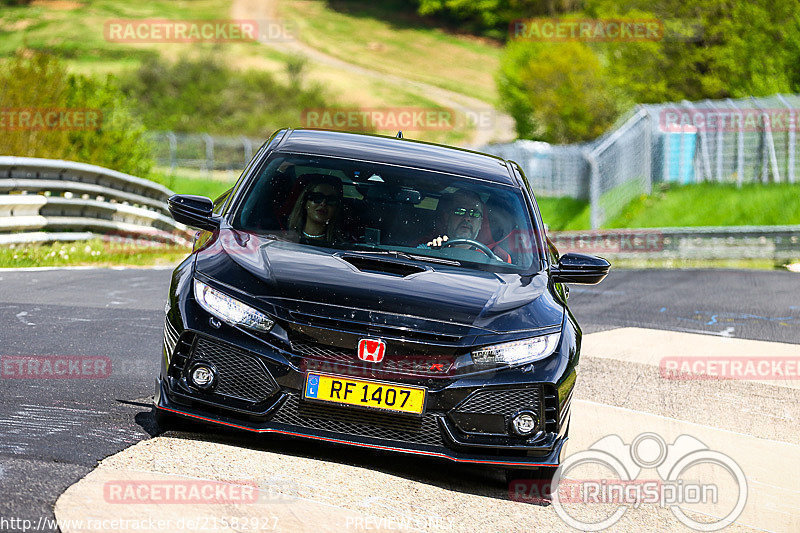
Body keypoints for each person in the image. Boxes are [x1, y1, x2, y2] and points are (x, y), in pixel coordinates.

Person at [421, 189, 513, 262]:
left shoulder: (491, 261)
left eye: (475, 214)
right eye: (460, 211)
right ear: (447, 218)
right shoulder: (428, 249)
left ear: (481, 223)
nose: (467, 218)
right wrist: (432, 253)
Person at [287, 174, 343, 244]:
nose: (323, 203)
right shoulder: (282, 238)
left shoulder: (341, 246)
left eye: (331, 200)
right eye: (317, 197)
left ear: (336, 208)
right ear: (305, 203)